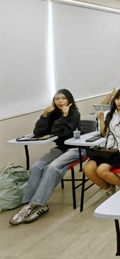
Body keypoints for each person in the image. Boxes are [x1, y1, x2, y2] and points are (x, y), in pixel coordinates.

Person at [10, 89, 81, 225]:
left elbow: (56, 132)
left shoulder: (74, 114)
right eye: (57, 99)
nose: (60, 101)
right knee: (37, 166)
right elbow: (38, 132)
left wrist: (65, 117)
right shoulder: (53, 114)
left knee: (52, 167)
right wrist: (44, 115)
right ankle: (28, 204)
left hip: (76, 148)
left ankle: (39, 204)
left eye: (63, 98)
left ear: (69, 100)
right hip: (60, 148)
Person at [84, 89, 120, 195]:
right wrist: (101, 119)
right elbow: (104, 133)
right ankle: (109, 187)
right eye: (117, 99)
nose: (119, 102)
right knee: (88, 169)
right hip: (108, 149)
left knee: (102, 170)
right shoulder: (109, 114)